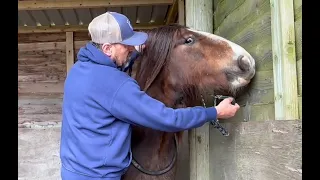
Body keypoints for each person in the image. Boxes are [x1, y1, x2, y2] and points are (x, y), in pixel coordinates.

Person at [59, 11, 240, 180]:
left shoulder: (78, 70)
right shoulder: (115, 84)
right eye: (126, 45)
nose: (130, 48)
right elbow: (167, 118)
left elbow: (113, 73)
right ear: (107, 48)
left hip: (72, 170)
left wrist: (136, 52)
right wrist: (214, 113)